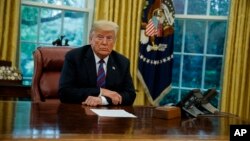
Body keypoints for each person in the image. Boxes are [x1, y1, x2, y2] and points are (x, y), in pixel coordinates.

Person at [59, 20, 136, 106]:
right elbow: (64, 92)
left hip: (110, 115)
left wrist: (103, 100)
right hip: (79, 111)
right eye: (100, 37)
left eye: (109, 38)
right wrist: (101, 91)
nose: (104, 42)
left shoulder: (122, 62)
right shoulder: (74, 57)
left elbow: (130, 95)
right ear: (91, 39)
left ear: (114, 42)